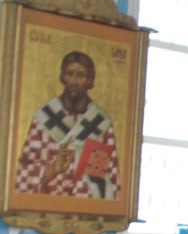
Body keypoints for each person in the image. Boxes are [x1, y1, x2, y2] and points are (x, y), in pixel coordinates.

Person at [14, 50, 120, 199]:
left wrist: (80, 157)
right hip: (48, 203)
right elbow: (24, 170)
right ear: (62, 77)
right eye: (69, 74)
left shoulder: (101, 122)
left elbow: (111, 175)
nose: (73, 81)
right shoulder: (44, 117)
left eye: (80, 75)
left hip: (85, 205)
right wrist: (52, 169)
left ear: (90, 81)